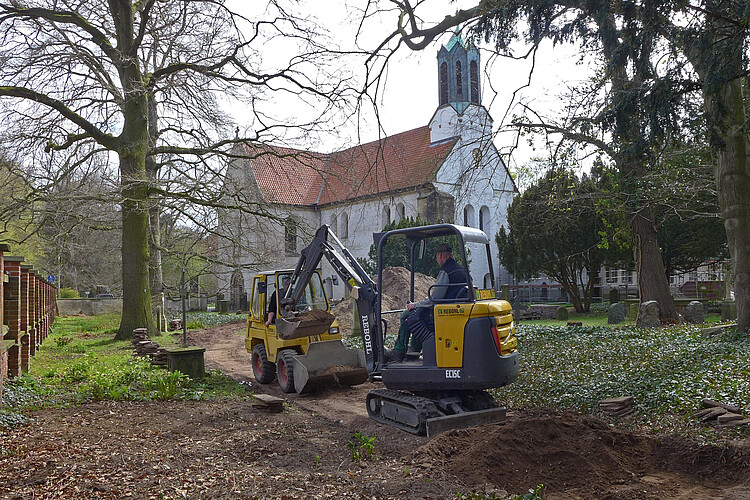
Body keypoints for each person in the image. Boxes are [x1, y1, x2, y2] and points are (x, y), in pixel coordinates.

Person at [387, 243, 468, 362]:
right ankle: (414, 349)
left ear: (440, 256)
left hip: (445, 313)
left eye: (437, 258)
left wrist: (415, 305)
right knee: (419, 315)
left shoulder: (446, 271)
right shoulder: (461, 269)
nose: (437, 261)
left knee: (408, 315)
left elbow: (434, 298)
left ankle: (399, 352)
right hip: (457, 310)